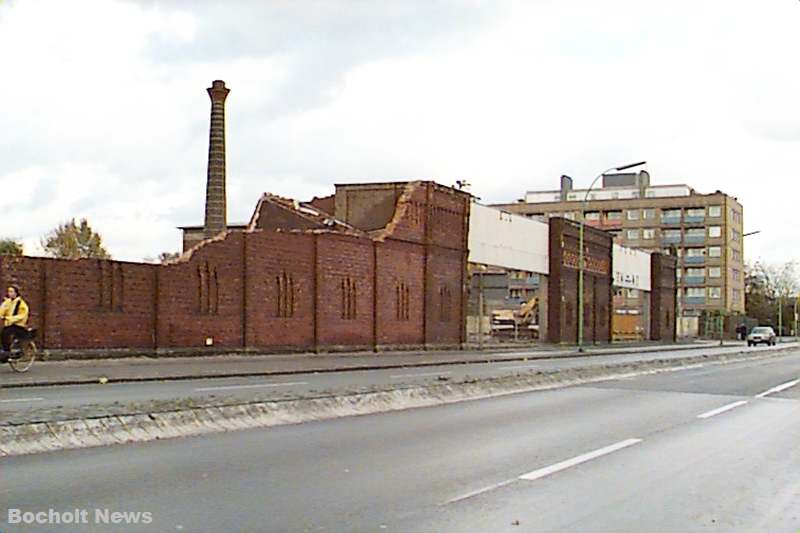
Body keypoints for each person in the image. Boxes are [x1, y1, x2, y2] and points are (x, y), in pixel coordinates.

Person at [0, 285, 29, 362]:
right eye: (9, 291)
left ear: (16, 293)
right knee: (2, 332)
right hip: (9, 324)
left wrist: (10, 318)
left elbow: (22, 316)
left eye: (11, 291)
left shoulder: (21, 304)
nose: (10, 293)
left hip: (18, 325)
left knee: (5, 333)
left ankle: (7, 352)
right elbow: (2, 310)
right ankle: (3, 350)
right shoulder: (7, 302)